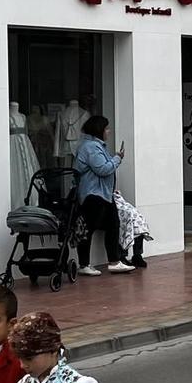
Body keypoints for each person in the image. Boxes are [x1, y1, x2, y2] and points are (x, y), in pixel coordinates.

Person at [72, 114, 135, 276]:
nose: (109, 131)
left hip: (103, 194)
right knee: (88, 229)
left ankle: (114, 261)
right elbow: (103, 169)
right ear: (99, 130)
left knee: (113, 224)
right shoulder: (91, 147)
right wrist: (117, 158)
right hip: (93, 196)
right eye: (106, 128)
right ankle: (84, 264)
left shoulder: (94, 146)